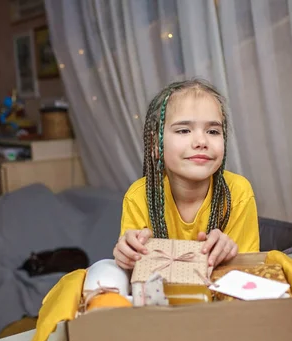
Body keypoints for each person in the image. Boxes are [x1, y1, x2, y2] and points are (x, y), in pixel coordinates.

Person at [86, 79, 259, 293]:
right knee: (102, 270)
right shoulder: (139, 196)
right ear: (155, 145)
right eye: (184, 130)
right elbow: (137, 276)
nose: (201, 141)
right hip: (160, 307)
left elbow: (249, 278)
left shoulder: (238, 192)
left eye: (213, 131)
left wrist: (230, 254)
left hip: (219, 306)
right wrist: (128, 255)